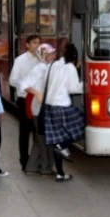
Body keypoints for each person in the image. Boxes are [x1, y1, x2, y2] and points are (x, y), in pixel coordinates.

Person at [33, 43, 84, 182]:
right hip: (62, 106)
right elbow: (74, 88)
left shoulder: (53, 65)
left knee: (58, 139)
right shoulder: (70, 68)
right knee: (81, 127)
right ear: (75, 56)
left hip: (50, 107)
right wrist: (86, 85)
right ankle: (61, 147)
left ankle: (60, 174)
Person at [20, 44, 56, 176]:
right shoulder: (39, 68)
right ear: (42, 55)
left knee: (39, 139)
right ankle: (45, 167)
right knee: (44, 140)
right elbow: (24, 84)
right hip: (39, 109)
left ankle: (32, 167)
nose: (52, 56)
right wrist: (37, 93)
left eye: (52, 54)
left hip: (45, 108)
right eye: (49, 54)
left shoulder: (47, 67)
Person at [9, 34, 41, 171]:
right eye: (34, 43)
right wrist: (29, 88)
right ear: (27, 45)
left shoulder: (41, 60)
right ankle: (24, 161)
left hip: (39, 100)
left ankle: (36, 161)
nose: (37, 45)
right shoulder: (20, 60)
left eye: (39, 43)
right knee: (24, 132)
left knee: (38, 133)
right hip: (25, 100)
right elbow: (12, 80)